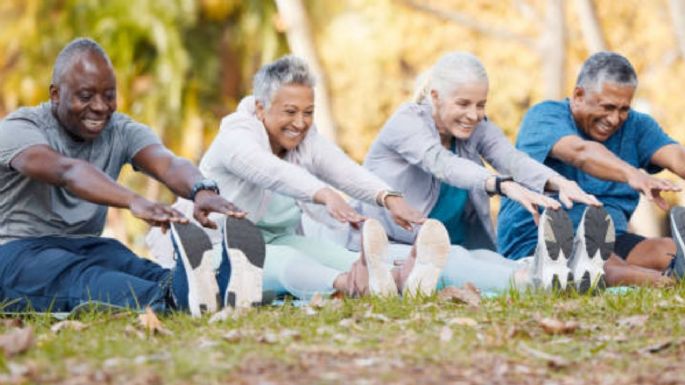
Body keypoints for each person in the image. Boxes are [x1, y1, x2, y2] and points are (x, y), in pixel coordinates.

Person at [147, 55, 449, 306]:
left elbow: (342, 167)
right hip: (210, 249)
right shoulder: (235, 137)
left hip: (272, 238)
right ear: (261, 107)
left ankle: (398, 278)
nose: (301, 122)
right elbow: (270, 171)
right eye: (290, 112)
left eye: (308, 112)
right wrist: (324, 194)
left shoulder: (303, 139)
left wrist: (388, 197)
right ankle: (354, 285)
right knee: (285, 259)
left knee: (332, 254)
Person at [0, 37, 246, 317]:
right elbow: (67, 171)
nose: (101, 107)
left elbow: (167, 163)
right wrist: (133, 200)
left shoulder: (120, 129)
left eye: (109, 95)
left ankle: (212, 287)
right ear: (55, 94)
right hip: (14, 254)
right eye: (85, 96)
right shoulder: (19, 129)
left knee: (126, 262)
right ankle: (172, 299)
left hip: (86, 246)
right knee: (84, 277)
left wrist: (201, 190)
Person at [353, 51, 608, 292]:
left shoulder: (475, 127)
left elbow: (511, 159)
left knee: (489, 259)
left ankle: (565, 273)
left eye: (481, 105)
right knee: (456, 262)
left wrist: (559, 183)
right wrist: (502, 185)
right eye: (463, 103)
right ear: (435, 96)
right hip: (395, 249)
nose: (474, 115)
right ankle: (539, 281)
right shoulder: (407, 123)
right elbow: (444, 164)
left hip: (455, 246)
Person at [498, 51, 685, 287]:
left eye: (623, 109)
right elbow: (581, 152)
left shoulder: (637, 126)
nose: (615, 118)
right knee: (604, 264)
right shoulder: (545, 116)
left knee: (667, 250)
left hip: (611, 238)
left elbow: (677, 157)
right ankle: (666, 282)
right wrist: (633, 174)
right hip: (542, 242)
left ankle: (669, 267)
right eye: (607, 107)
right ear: (578, 95)